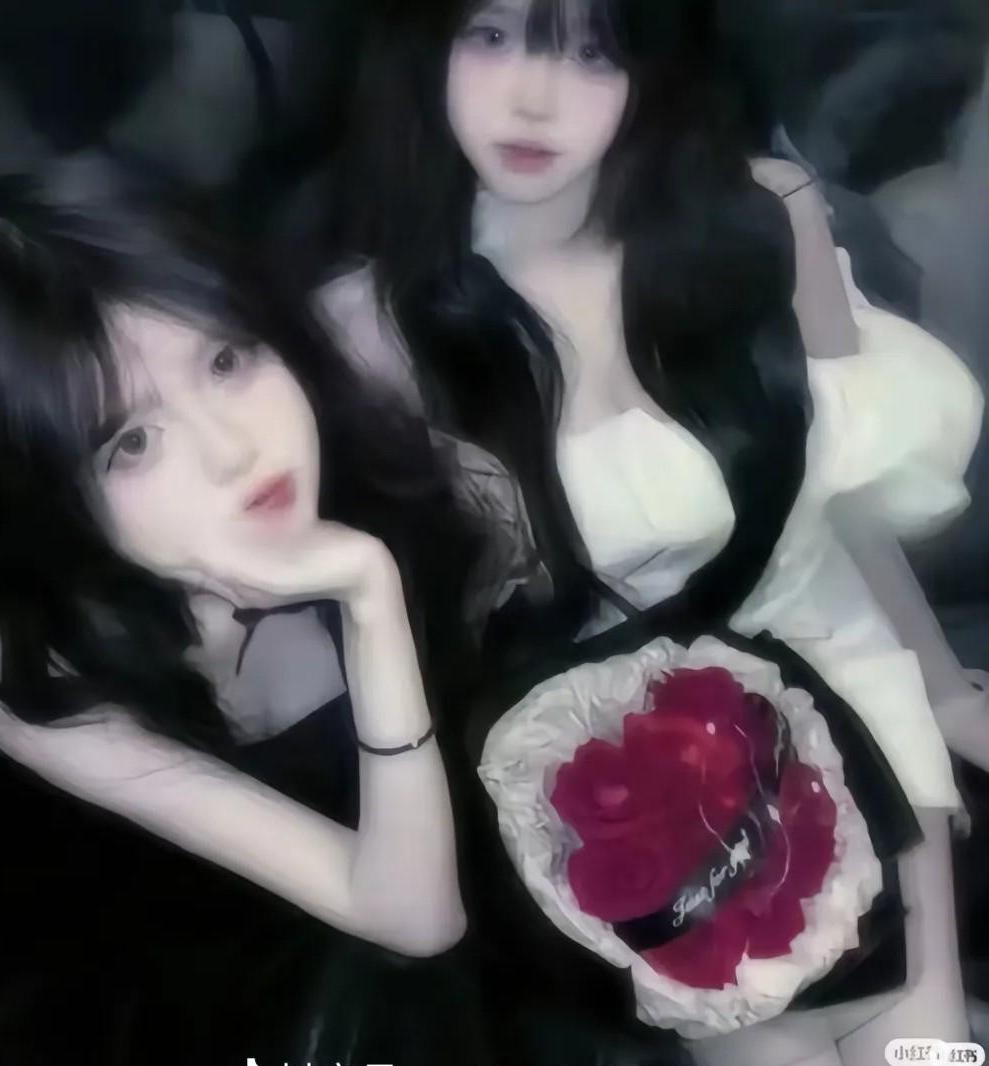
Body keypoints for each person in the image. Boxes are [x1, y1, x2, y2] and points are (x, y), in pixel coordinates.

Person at [316, 1, 986, 1063]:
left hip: (855, 708)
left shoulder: (757, 221)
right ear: (424, 43)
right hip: (653, 794)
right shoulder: (371, 328)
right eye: (493, 35)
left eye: (594, 52)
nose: (535, 98)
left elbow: (842, 490)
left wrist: (945, 692)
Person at [0, 153, 494, 1066]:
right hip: (201, 981)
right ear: (51, 491)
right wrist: (370, 599)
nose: (233, 450)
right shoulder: (42, 685)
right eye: (132, 442)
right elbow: (415, 921)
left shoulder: (380, 451)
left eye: (226, 359)